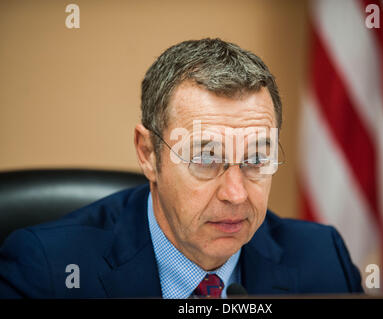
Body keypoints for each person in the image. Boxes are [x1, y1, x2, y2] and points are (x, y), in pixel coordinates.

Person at [0, 38, 363, 298]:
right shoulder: (48, 270)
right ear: (148, 153)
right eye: (205, 159)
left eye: (255, 159)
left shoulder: (322, 259)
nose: (236, 194)